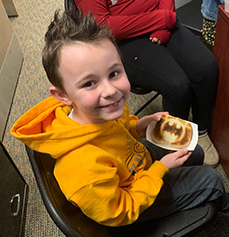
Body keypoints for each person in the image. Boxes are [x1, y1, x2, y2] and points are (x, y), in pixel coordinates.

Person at [11, 8, 229, 227]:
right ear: (63, 95)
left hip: (133, 164)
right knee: (210, 179)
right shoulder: (82, 171)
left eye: (114, 73)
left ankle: (190, 191)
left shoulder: (97, 112)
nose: (110, 91)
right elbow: (121, 211)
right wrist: (160, 170)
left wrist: (137, 126)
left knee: (193, 151)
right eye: (89, 83)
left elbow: (116, 130)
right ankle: (225, 201)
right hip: (130, 199)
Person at [74, 0, 220, 167]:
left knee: (206, 68)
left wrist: (164, 27)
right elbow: (103, 25)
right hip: (124, 38)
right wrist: (162, 19)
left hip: (160, 23)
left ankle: (201, 131)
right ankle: (177, 145)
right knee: (177, 85)